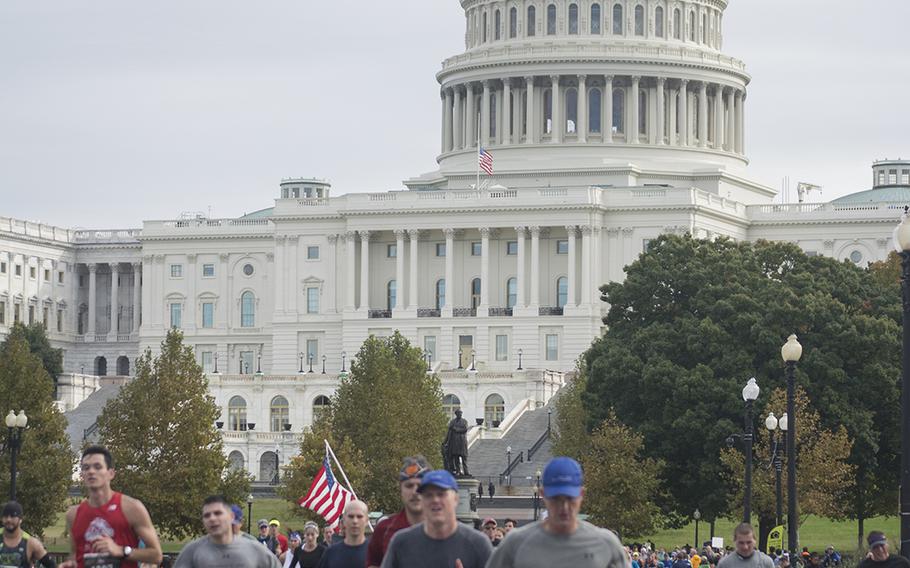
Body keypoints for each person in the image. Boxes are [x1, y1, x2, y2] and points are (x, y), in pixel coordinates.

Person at [485, 456, 628, 568]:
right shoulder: (515, 544)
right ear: (543, 495)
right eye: (556, 499)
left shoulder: (606, 544)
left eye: (570, 498)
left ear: (581, 494)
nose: (564, 507)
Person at [61, 446, 162, 568]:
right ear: (82, 474)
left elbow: (156, 555)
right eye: (86, 468)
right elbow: (76, 555)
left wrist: (121, 550)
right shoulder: (73, 514)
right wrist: (70, 564)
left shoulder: (131, 508)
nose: (91, 471)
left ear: (111, 473)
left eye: (97, 467)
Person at [380, 469, 492, 568]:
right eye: (428, 495)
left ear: (456, 499)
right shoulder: (401, 543)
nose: (435, 500)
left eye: (441, 494)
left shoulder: (478, 544)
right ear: (422, 501)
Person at [173, 495, 280, 568]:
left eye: (218, 513)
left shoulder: (255, 549)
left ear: (231, 516)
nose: (212, 519)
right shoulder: (192, 551)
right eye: (207, 515)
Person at [367, 455, 428, 568]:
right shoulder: (384, 529)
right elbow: (373, 564)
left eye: (420, 485)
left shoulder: (447, 530)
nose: (415, 491)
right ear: (401, 490)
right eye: (409, 486)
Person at [0, 501, 55, 567]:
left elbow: (51, 565)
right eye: (5, 516)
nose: (8, 520)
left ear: (20, 519)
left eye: (12, 516)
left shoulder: (31, 543)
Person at [316, 500, 369, 568]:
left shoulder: (376, 553)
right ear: (343, 520)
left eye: (359, 516)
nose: (355, 521)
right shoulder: (331, 553)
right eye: (351, 516)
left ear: (367, 520)